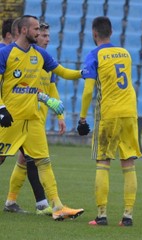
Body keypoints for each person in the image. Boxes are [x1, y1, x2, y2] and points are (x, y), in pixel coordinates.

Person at [0, 15, 84, 221]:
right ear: (22, 30)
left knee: (43, 162)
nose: (39, 33)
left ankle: (57, 206)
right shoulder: (5, 53)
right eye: (36, 29)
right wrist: (1, 108)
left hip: (33, 120)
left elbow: (62, 71)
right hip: (10, 118)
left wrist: (83, 72)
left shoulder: (41, 54)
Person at [77, 16, 141, 226]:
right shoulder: (125, 53)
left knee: (103, 162)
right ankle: (128, 216)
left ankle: (102, 215)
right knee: (128, 163)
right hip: (130, 112)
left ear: (94, 34)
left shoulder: (94, 54)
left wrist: (83, 117)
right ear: (111, 32)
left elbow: (88, 91)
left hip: (109, 113)